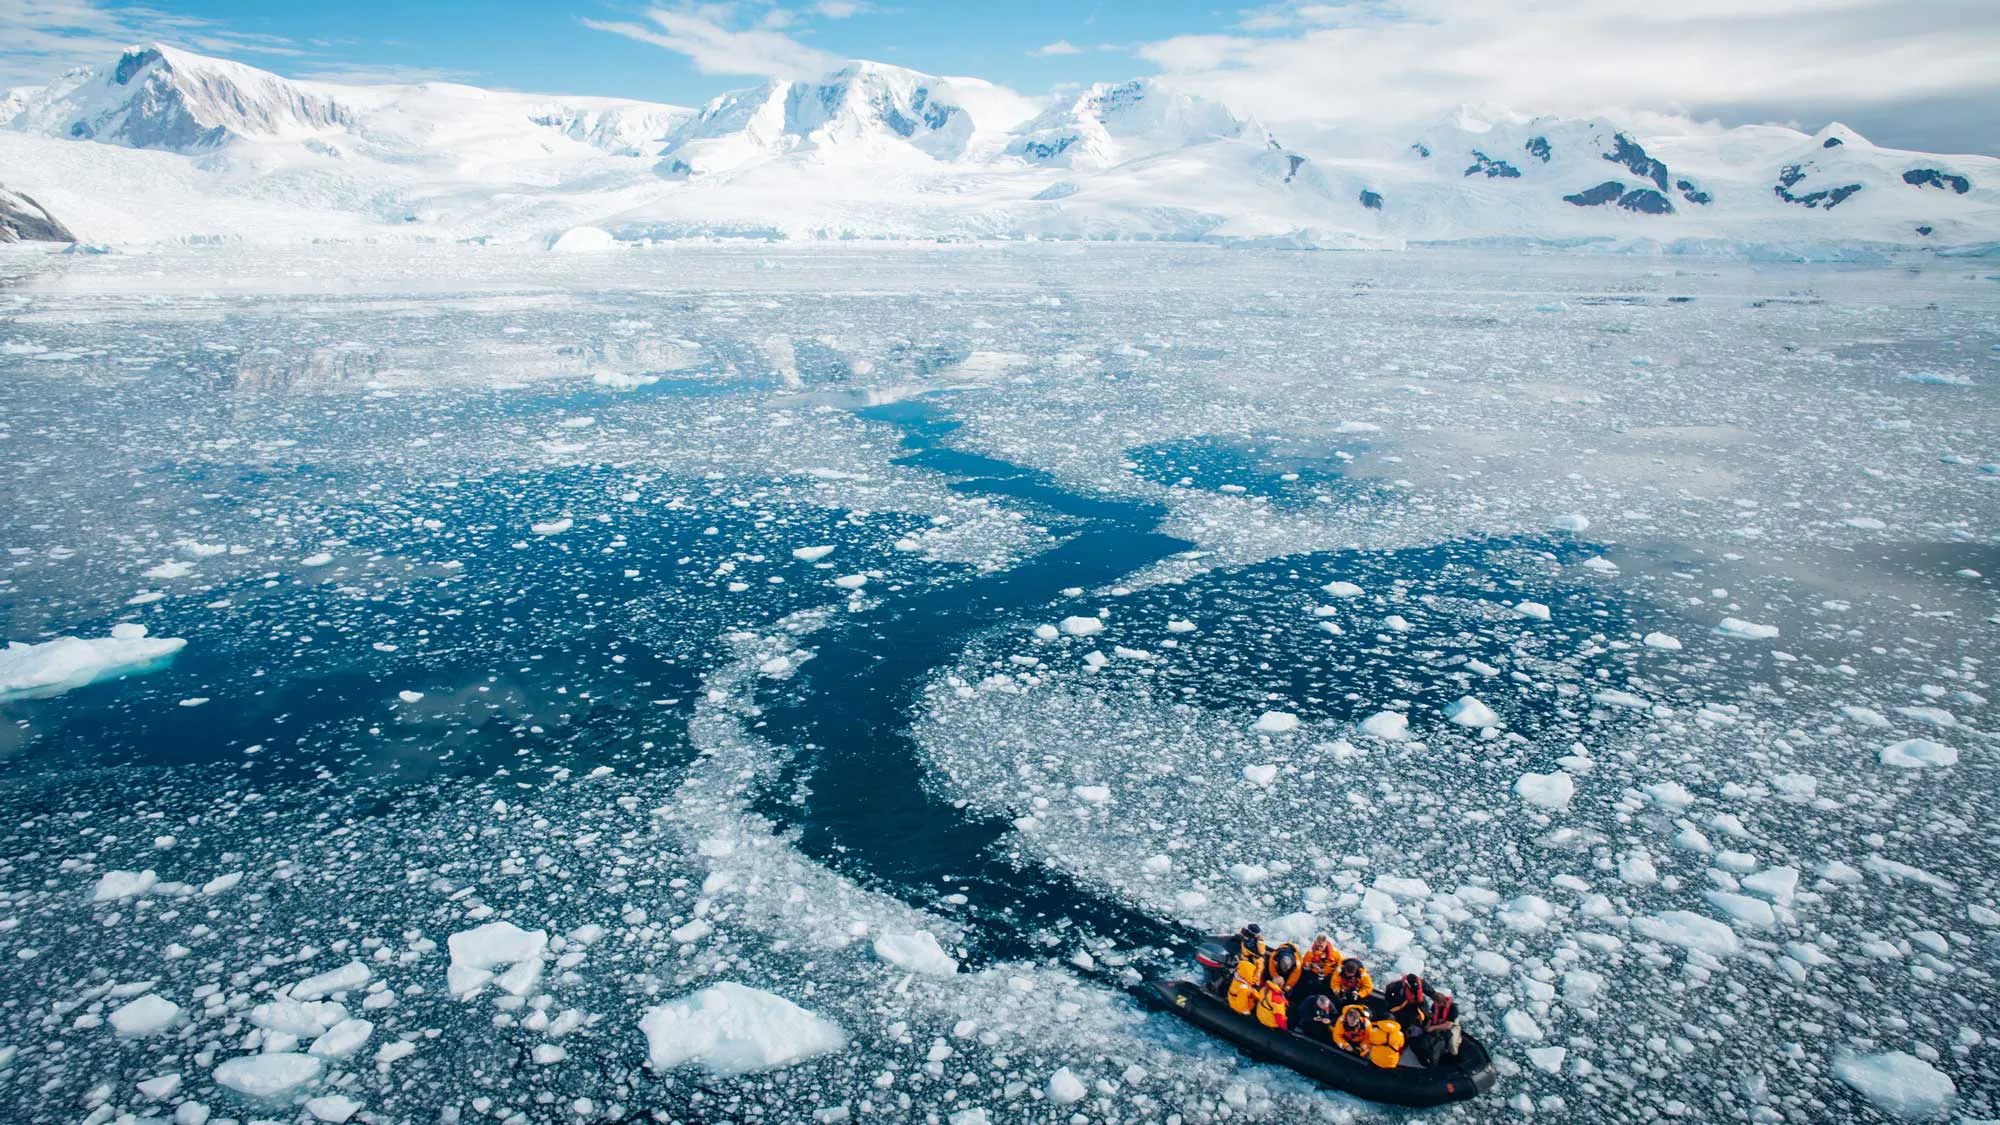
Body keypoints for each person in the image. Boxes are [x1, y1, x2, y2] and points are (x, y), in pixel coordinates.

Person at [1331, 1003, 1406, 1069]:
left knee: (1364, 1053)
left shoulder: (1366, 1024)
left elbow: (1368, 1038)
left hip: (1360, 1042)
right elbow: (1336, 1035)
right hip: (1347, 1041)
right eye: (1349, 1022)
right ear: (1346, 1018)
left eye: (1353, 1023)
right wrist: (1345, 1045)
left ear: (1358, 1020)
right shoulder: (1341, 1021)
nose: (1350, 1024)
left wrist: (1361, 1048)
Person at [1412, 993, 1463, 1067]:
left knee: (1452, 1044)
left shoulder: (1453, 1008)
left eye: (1437, 1003)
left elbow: (1448, 1025)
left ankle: (1454, 1057)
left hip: (1451, 1026)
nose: (1435, 1004)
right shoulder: (1435, 1006)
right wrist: (1428, 1025)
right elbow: (1432, 1016)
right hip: (1439, 1022)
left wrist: (1433, 1028)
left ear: (1442, 1002)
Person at [1225, 938, 1267, 1016]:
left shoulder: (1244, 968)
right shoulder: (1244, 988)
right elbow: (1241, 1003)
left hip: (1248, 984)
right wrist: (1246, 1012)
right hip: (1240, 1003)